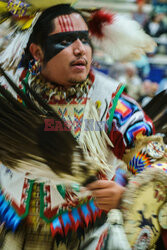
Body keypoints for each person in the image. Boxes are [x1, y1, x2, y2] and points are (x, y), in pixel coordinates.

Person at [0, 1, 166, 250]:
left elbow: (156, 163)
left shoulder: (109, 102)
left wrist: (126, 195)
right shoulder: (10, 93)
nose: (80, 50)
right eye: (65, 41)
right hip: (12, 230)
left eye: (84, 40)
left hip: (84, 237)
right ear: (37, 52)